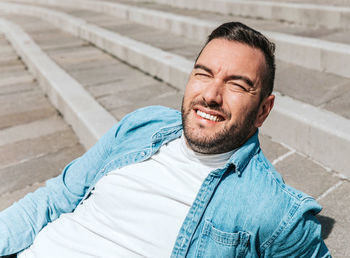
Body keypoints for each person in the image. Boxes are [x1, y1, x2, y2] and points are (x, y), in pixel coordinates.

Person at [0, 22, 330, 257]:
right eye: (203, 74)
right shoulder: (141, 125)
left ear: (263, 111)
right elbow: (54, 200)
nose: (211, 95)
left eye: (237, 85)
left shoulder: (273, 212)